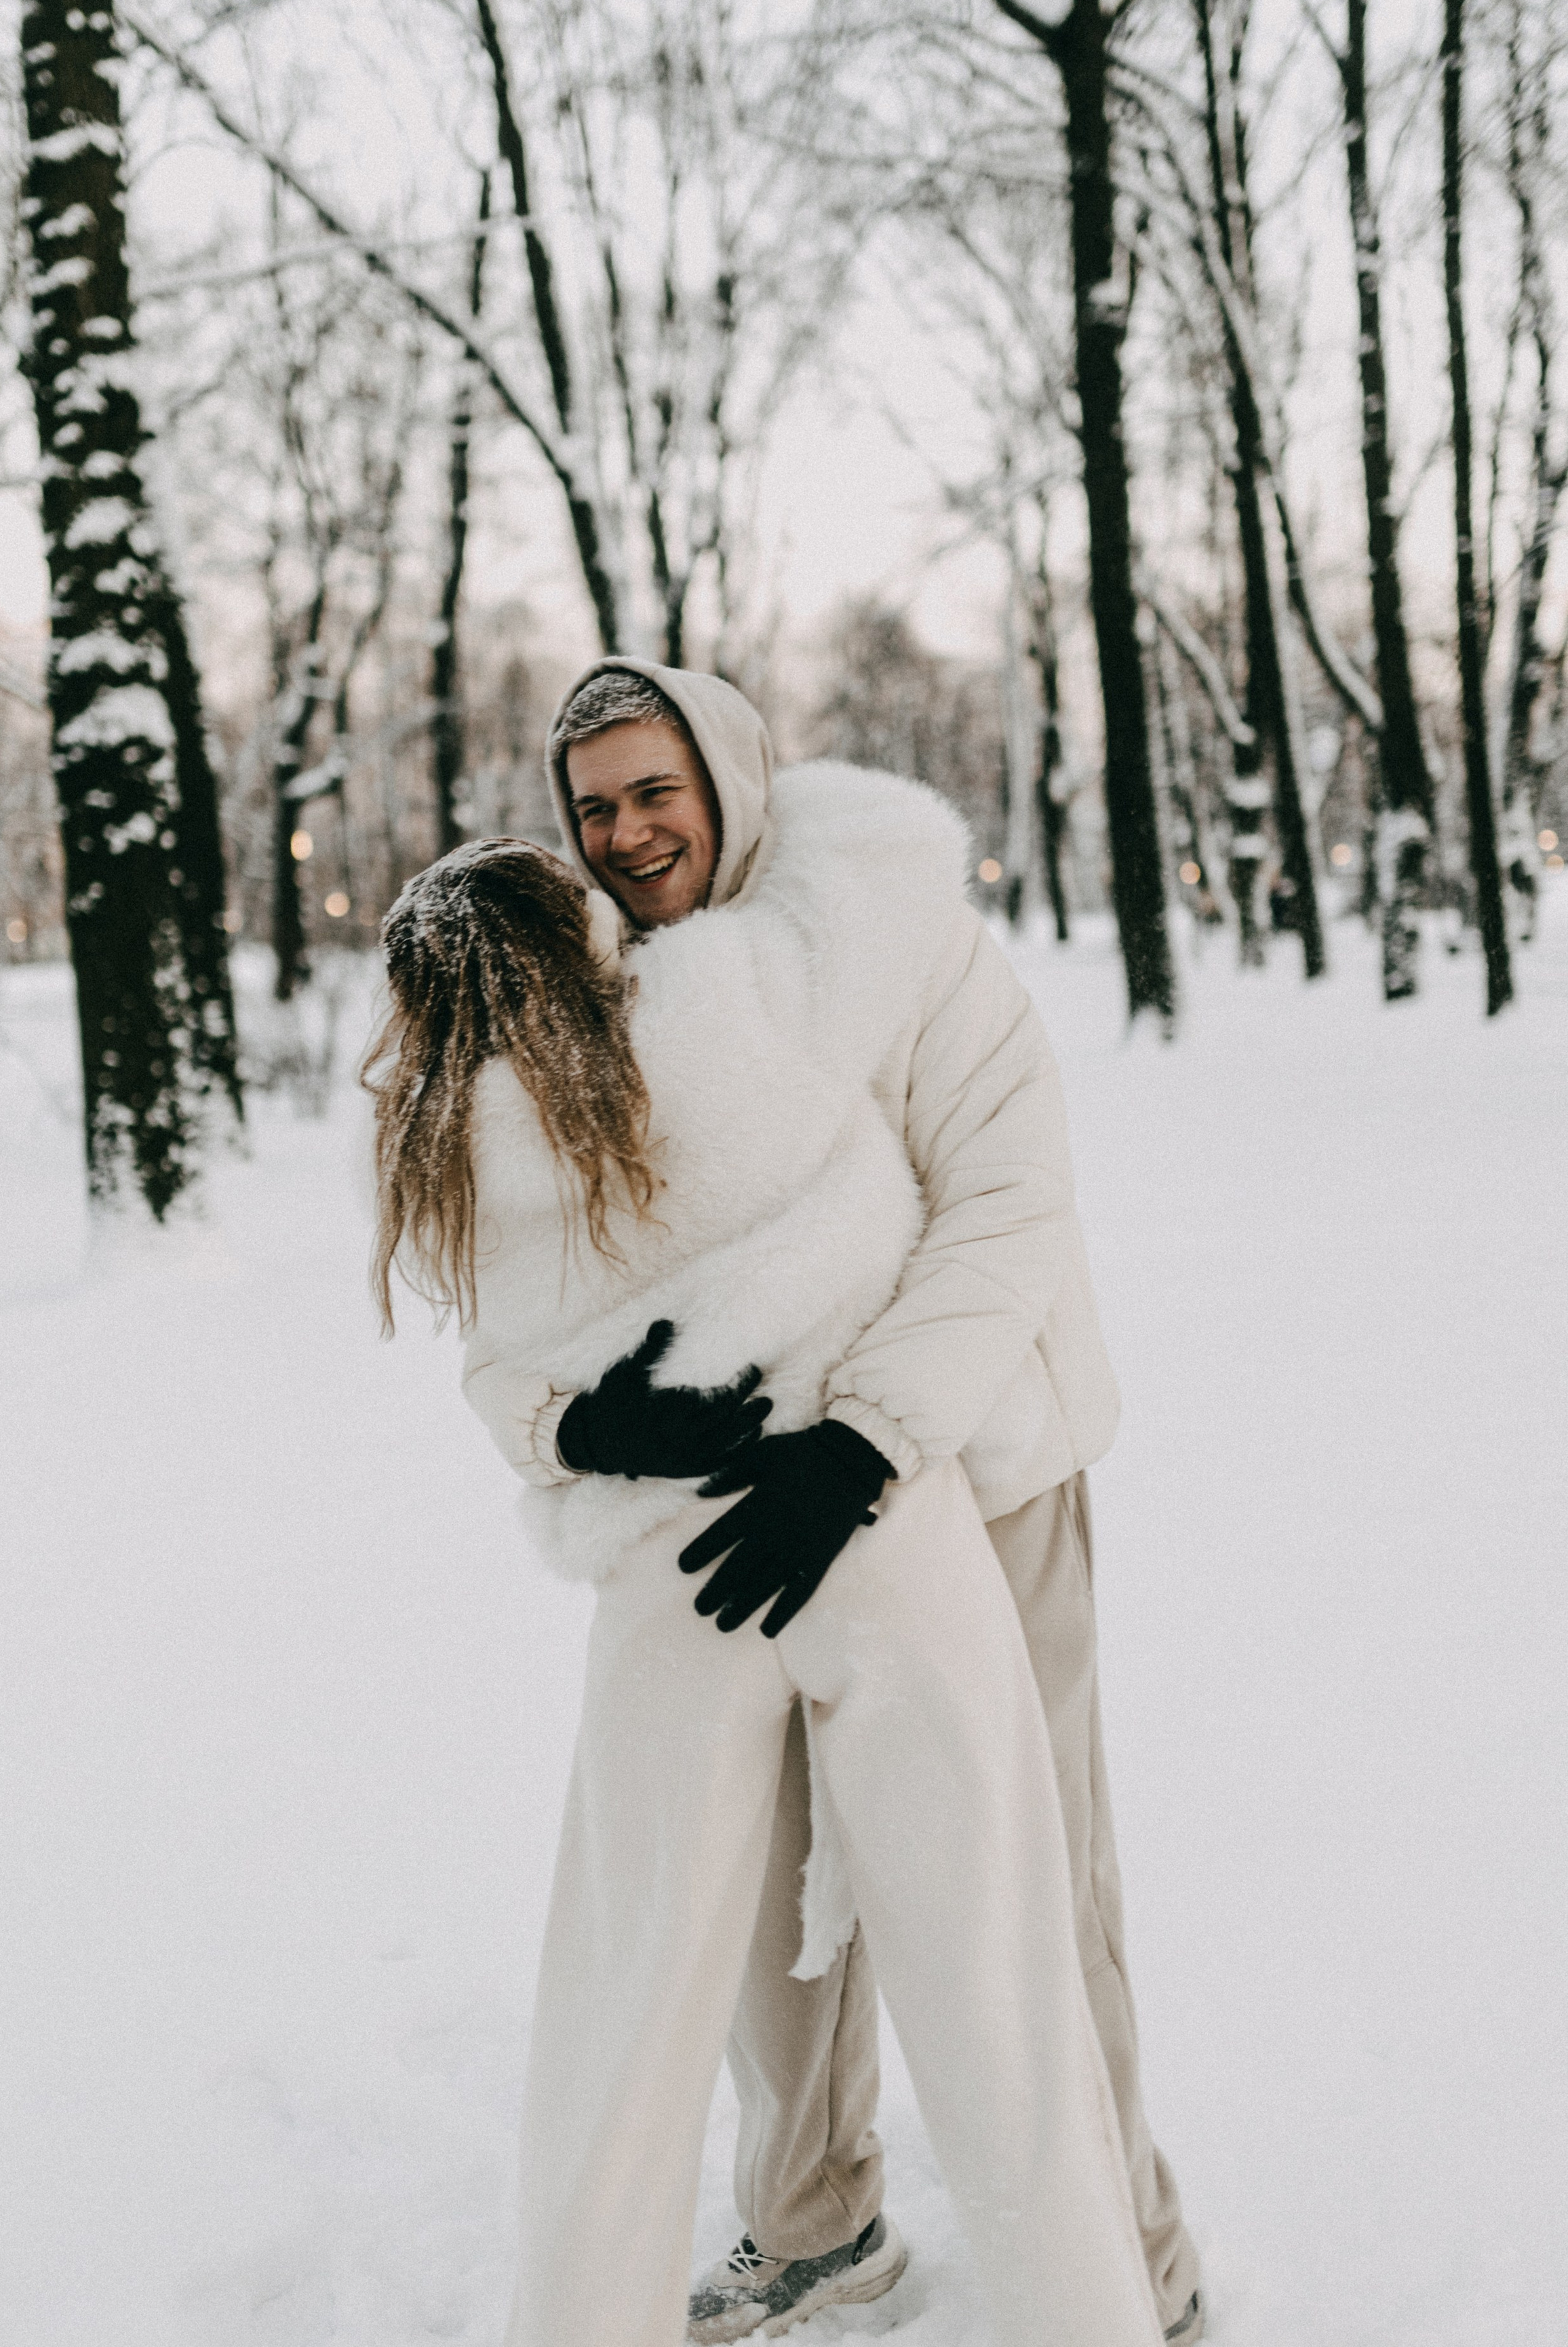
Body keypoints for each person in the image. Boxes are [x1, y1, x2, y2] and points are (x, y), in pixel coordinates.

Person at [369, 750, 1168, 2347]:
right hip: (776, 1536)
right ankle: (821, 2221)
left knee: (1022, 1912)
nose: (623, 829)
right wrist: (592, 1426)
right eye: (590, 809)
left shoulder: (896, 942)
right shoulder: (655, 1003)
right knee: (755, 1944)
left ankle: (1131, 2262)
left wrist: (861, 1437)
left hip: (974, 1464)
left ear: (728, 782)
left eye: (649, 788)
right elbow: (809, 1228)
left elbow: (1006, 1203)